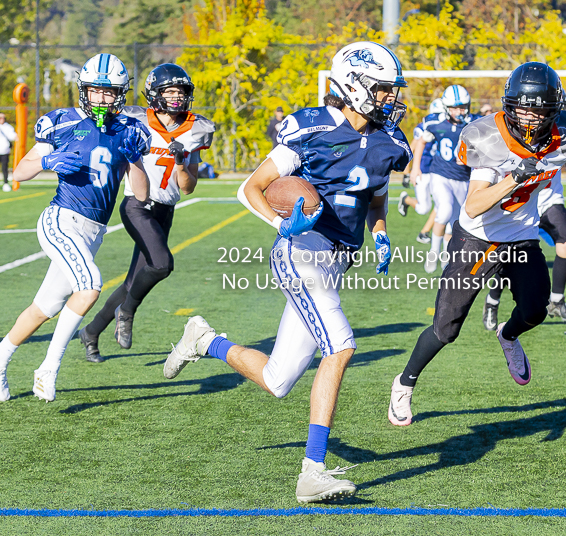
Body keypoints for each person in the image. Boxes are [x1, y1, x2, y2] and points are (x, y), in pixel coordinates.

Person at [162, 41, 411, 503]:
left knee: (278, 380)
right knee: (342, 347)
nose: (389, 99)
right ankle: (311, 473)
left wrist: (379, 231)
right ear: (354, 86)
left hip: (337, 260)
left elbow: (374, 197)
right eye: (380, 90)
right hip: (300, 254)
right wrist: (283, 223)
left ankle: (203, 340)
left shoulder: (391, 142)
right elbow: (251, 188)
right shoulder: (311, 127)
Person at [388, 62, 566, 427]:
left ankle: (508, 334)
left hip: (521, 237)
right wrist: (514, 178)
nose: (531, 115)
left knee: (535, 310)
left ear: (554, 107)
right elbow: (472, 204)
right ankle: (404, 383)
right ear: (510, 104)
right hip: (477, 238)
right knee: (446, 329)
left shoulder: (565, 131)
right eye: (523, 107)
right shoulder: (488, 137)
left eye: (539, 107)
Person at [0, 53, 150, 402]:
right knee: (90, 286)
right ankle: (49, 367)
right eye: (95, 91)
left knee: (46, 306)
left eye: (109, 92)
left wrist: (134, 159)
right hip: (60, 219)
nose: (101, 98)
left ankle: (1, 357)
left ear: (120, 94)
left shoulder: (127, 130)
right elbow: (20, 171)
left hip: (93, 231)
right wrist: (48, 160)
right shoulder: (63, 121)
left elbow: (140, 194)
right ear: (84, 90)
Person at [78, 64, 215, 362]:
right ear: (155, 93)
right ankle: (125, 312)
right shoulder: (134, 118)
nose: (177, 97)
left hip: (165, 209)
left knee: (133, 280)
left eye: (181, 91)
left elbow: (188, 187)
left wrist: (181, 162)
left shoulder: (198, 128)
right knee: (162, 264)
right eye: (170, 91)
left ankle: (90, 332)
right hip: (137, 205)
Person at [482, 166, 566, 329]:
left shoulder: (559, 139)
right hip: (522, 204)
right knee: (510, 256)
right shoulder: (520, 140)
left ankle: (557, 301)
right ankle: (492, 301)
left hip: (549, 201)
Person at [409, 85, 476, 273]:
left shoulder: (474, 123)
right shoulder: (435, 122)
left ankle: (447, 257)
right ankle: (433, 251)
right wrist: (415, 168)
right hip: (441, 175)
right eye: (455, 107)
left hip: (463, 179)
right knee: (444, 210)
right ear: (446, 107)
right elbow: (421, 141)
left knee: (456, 222)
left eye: (463, 107)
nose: (459, 111)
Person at [398, 98, 443, 243]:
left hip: (438, 171)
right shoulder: (423, 127)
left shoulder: (447, 127)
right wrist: (407, 172)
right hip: (422, 171)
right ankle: (406, 199)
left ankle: (424, 232)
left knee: (442, 204)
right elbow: (411, 149)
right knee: (423, 208)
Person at [0, 113, 17, 192]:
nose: (2, 119)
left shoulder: (8, 127)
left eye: (3, 117)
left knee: (4, 168)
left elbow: (12, 136)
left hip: (4, 151)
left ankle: (6, 183)